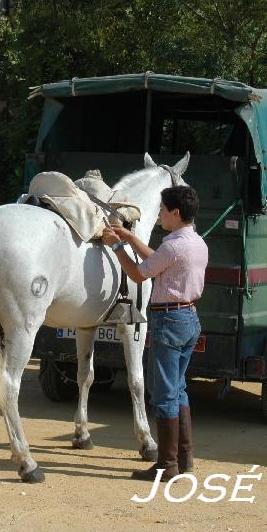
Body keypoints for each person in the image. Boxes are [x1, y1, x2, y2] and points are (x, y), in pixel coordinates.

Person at [101, 185, 208, 481]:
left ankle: (167, 464)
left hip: (169, 321)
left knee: (163, 395)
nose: (159, 214)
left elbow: (139, 273)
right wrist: (131, 237)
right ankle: (184, 458)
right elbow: (158, 260)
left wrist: (116, 246)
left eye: (162, 210)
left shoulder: (173, 245)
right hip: (188, 317)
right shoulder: (196, 242)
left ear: (175, 213)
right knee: (179, 388)